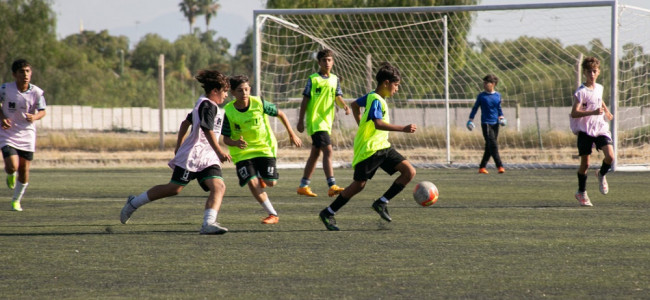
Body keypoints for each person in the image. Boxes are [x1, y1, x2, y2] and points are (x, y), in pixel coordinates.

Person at [120, 69, 232, 234]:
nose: (226, 96)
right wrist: (220, 151)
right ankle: (134, 203)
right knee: (174, 188)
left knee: (219, 186)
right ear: (214, 91)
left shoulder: (204, 104)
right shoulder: (207, 105)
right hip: (193, 155)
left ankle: (208, 223)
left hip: (207, 158)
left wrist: (178, 145)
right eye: (225, 92)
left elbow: (185, 123)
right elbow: (206, 130)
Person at [318, 62, 416, 231]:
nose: (397, 89)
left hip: (382, 147)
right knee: (358, 185)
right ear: (386, 83)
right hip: (370, 149)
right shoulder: (376, 100)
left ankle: (381, 202)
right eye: (396, 85)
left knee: (409, 172)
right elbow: (378, 123)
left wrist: (361, 124)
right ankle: (328, 212)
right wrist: (403, 128)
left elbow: (355, 105)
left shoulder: (374, 96)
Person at [222, 75, 302, 224]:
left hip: (264, 147)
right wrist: (235, 142)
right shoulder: (229, 112)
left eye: (246, 89)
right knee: (252, 183)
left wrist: (292, 134)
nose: (244, 93)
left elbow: (281, 114)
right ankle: (273, 214)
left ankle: (261, 176)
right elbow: (225, 139)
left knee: (271, 182)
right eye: (240, 90)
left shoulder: (259, 103)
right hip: (242, 153)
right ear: (233, 92)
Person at [296, 49, 351, 198]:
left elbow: (337, 97)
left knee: (315, 154)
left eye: (329, 60)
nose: (327, 63)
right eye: (324, 60)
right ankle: (331, 185)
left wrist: (344, 106)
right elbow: (305, 100)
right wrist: (300, 120)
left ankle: (303, 185)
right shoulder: (313, 79)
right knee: (328, 150)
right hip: (315, 122)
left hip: (326, 123)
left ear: (333, 62)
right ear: (319, 63)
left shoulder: (335, 79)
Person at [0, 59, 47, 212]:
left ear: (31, 73)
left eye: (27, 71)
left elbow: (43, 110)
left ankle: (16, 200)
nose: (25, 74)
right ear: (14, 74)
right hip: (8, 132)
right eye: (21, 72)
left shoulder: (37, 92)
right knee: (13, 165)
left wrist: (34, 117)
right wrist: (2, 117)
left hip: (27, 133)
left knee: (24, 169)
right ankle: (10, 173)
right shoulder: (5, 89)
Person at [569, 56, 614, 207]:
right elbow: (574, 113)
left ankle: (601, 174)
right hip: (585, 130)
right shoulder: (581, 92)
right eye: (589, 72)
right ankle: (581, 192)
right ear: (584, 73)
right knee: (585, 164)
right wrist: (592, 112)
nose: (592, 74)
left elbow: (599, 99)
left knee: (610, 157)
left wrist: (606, 112)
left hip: (600, 127)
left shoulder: (600, 87)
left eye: (594, 71)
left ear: (598, 72)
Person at [466, 74, 507, 174]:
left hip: (495, 123)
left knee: (489, 146)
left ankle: (482, 167)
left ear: (493, 84)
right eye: (483, 83)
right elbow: (475, 108)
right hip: (486, 123)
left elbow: (499, 108)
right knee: (493, 145)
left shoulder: (498, 95)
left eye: (486, 83)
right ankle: (500, 166)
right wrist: (470, 120)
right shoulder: (481, 96)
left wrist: (502, 117)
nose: (484, 84)